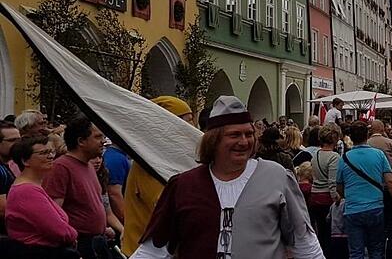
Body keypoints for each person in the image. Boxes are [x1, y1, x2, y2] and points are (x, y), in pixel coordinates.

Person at [130, 95, 324, 258]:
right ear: (214, 140)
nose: (244, 141)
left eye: (249, 134)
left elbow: (304, 243)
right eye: (234, 135)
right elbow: (154, 250)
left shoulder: (277, 177)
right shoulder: (184, 185)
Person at [120, 96, 194, 256]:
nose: (192, 128)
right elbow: (165, 208)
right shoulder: (150, 164)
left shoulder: (165, 158)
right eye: (186, 121)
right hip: (142, 251)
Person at [43, 115, 108, 259]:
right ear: (81, 141)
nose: (103, 142)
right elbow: (54, 212)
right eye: (97, 137)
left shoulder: (88, 166)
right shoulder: (61, 167)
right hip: (79, 245)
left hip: (96, 242)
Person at [5, 136, 78, 257]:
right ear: (25, 161)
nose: (50, 156)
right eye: (43, 153)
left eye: (51, 151)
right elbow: (57, 229)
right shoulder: (26, 190)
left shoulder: (33, 186)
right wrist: (73, 235)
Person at [337, 120, 392, 259]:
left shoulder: (344, 158)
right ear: (367, 135)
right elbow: (390, 181)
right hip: (375, 207)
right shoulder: (379, 155)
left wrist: (347, 195)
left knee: (356, 252)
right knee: (376, 250)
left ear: (351, 137)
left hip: (353, 209)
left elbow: (339, 186)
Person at [367, 119, 392, 259]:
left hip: (371, 187)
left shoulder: (367, 144)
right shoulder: (389, 142)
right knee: (391, 221)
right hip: (387, 186)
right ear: (383, 129)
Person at [310, 124, 342, 256]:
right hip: (327, 199)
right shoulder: (334, 157)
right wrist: (337, 199)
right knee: (330, 235)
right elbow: (332, 181)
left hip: (314, 196)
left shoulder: (315, 154)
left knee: (320, 233)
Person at [101, 140, 130, 224]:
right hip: (119, 221)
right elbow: (114, 194)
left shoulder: (118, 156)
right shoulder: (116, 159)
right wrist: (128, 222)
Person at [0, 121, 21, 235]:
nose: (18, 144)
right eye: (12, 141)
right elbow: (3, 210)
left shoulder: (5, 165)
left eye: (19, 140)